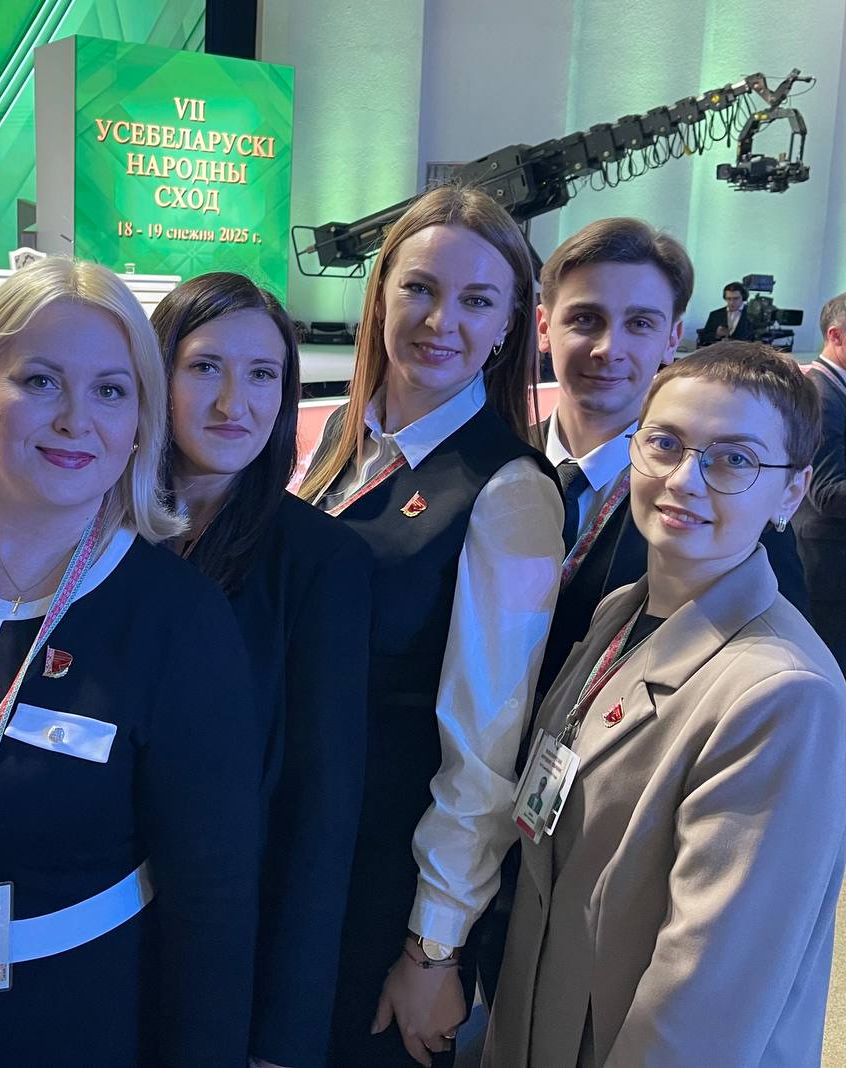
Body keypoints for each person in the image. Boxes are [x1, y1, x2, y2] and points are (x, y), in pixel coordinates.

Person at [0, 257, 262, 1066]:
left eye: (110, 390)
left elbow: (211, 907)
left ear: (140, 419)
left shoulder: (179, 620)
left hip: (59, 1028)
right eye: (40, 382)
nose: (77, 420)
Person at [475, 217, 810, 1007]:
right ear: (544, 324)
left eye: (639, 323)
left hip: (608, 879)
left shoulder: (723, 512)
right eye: (585, 318)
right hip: (471, 839)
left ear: (673, 336)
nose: (608, 347)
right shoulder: (487, 471)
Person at [484, 341, 846, 1067]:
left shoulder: (783, 694)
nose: (685, 479)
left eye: (734, 459)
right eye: (666, 443)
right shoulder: (621, 612)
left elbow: (707, 1006)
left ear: (791, 493)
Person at [298, 184, 564, 1067]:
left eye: (477, 300)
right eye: (419, 287)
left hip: (385, 875)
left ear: (510, 325)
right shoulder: (341, 441)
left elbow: (486, 747)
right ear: (379, 294)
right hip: (305, 839)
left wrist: (433, 946)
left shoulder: (510, 491)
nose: (440, 321)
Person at [152, 272, 371, 1067]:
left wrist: (284, 1034)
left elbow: (321, 813)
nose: (231, 403)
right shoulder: (96, 534)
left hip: (226, 953)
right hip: (95, 937)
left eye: (262, 375)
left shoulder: (321, 563)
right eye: (204, 367)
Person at [793, 290, 846, 669]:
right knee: (829, 662)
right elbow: (827, 493)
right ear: (835, 335)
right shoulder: (822, 396)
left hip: (830, 552)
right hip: (826, 557)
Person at [699, 281, 754, 345]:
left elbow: (758, 338)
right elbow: (704, 338)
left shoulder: (753, 315)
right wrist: (717, 334)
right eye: (728, 299)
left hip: (745, 350)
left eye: (736, 298)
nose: (731, 302)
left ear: (744, 297)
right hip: (720, 350)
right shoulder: (715, 315)